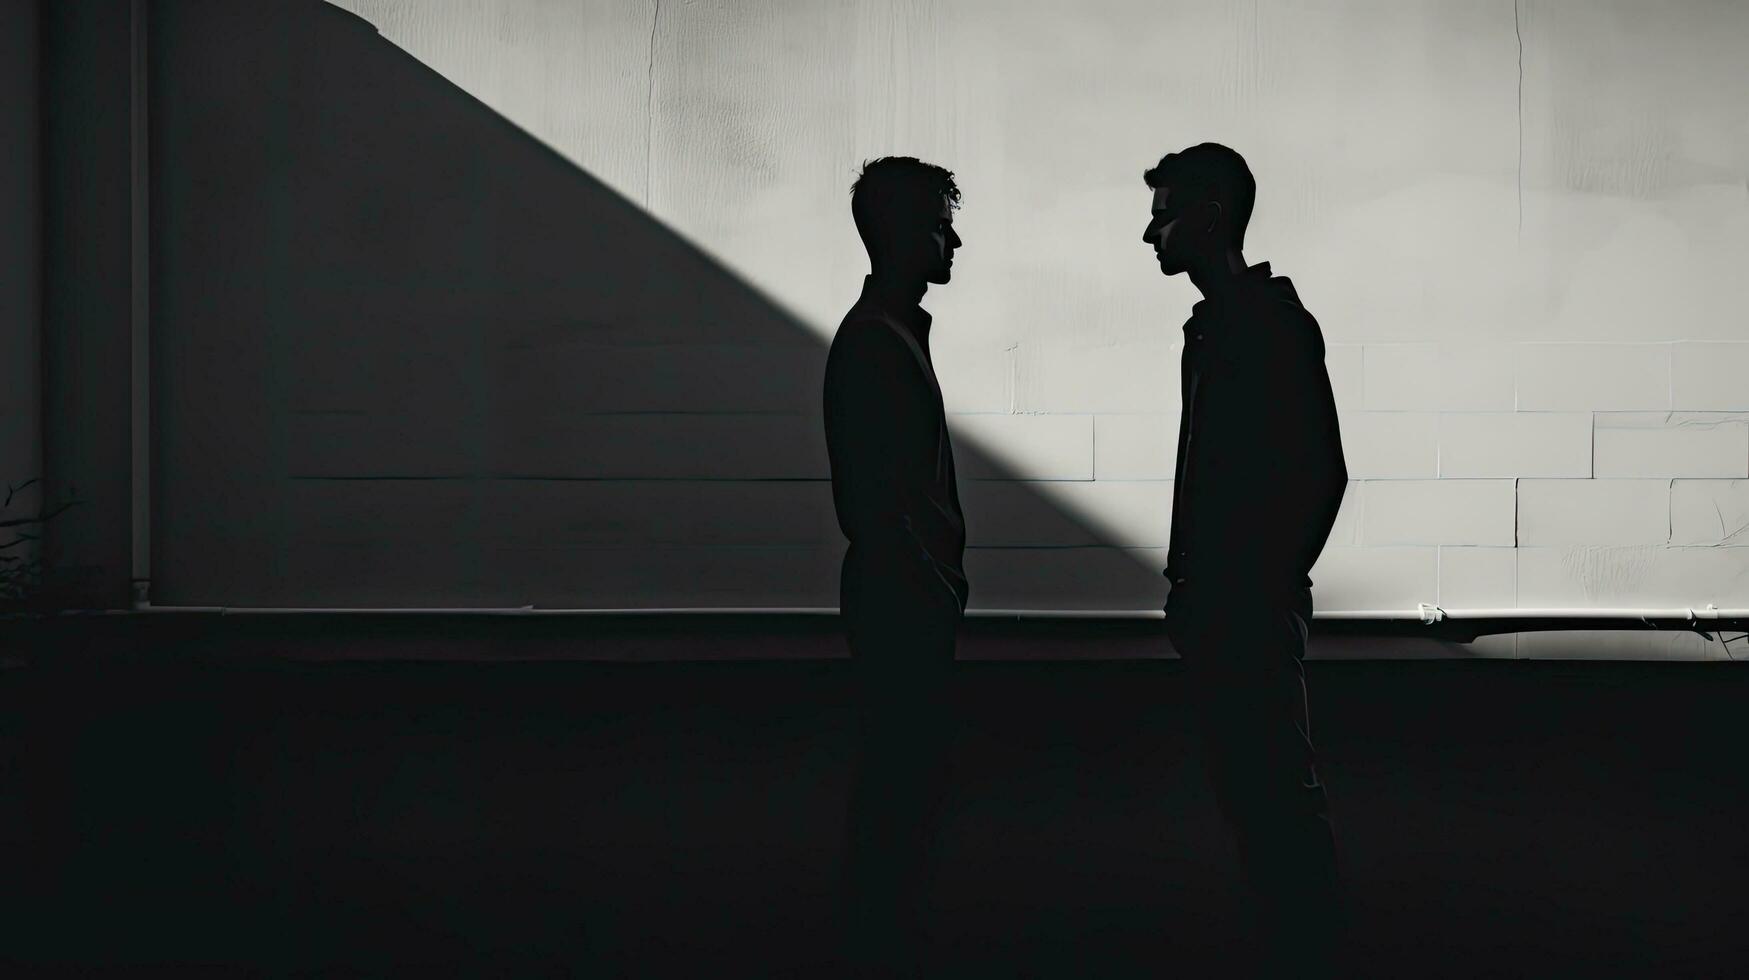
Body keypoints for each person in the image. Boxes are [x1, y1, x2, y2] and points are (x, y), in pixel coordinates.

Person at [1140, 143, 1350, 975]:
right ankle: (1293, 937)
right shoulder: (1222, 325)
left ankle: (1309, 944)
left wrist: (1259, 581)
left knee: (1272, 788)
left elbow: (1321, 472)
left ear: (1211, 216)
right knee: (1254, 786)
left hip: (1245, 603)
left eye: (1163, 213)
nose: (1148, 232)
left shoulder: (1265, 326)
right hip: (1227, 600)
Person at [822, 155, 967, 977]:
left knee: (898, 781)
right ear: (909, 233)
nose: (956, 239)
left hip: (902, 597)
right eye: (943, 223)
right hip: (903, 603)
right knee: (900, 787)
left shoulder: (883, 331)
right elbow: (881, 502)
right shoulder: (879, 341)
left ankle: (880, 935)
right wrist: (937, 581)